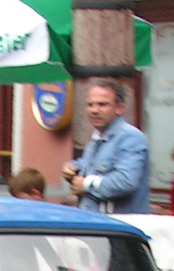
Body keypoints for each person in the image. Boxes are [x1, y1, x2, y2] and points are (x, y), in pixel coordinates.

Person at [62, 79, 151, 214]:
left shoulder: (131, 138)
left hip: (118, 227)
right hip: (94, 223)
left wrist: (86, 185)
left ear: (119, 108)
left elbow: (126, 181)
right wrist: (72, 168)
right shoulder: (97, 137)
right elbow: (90, 166)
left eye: (102, 104)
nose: (94, 110)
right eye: (90, 105)